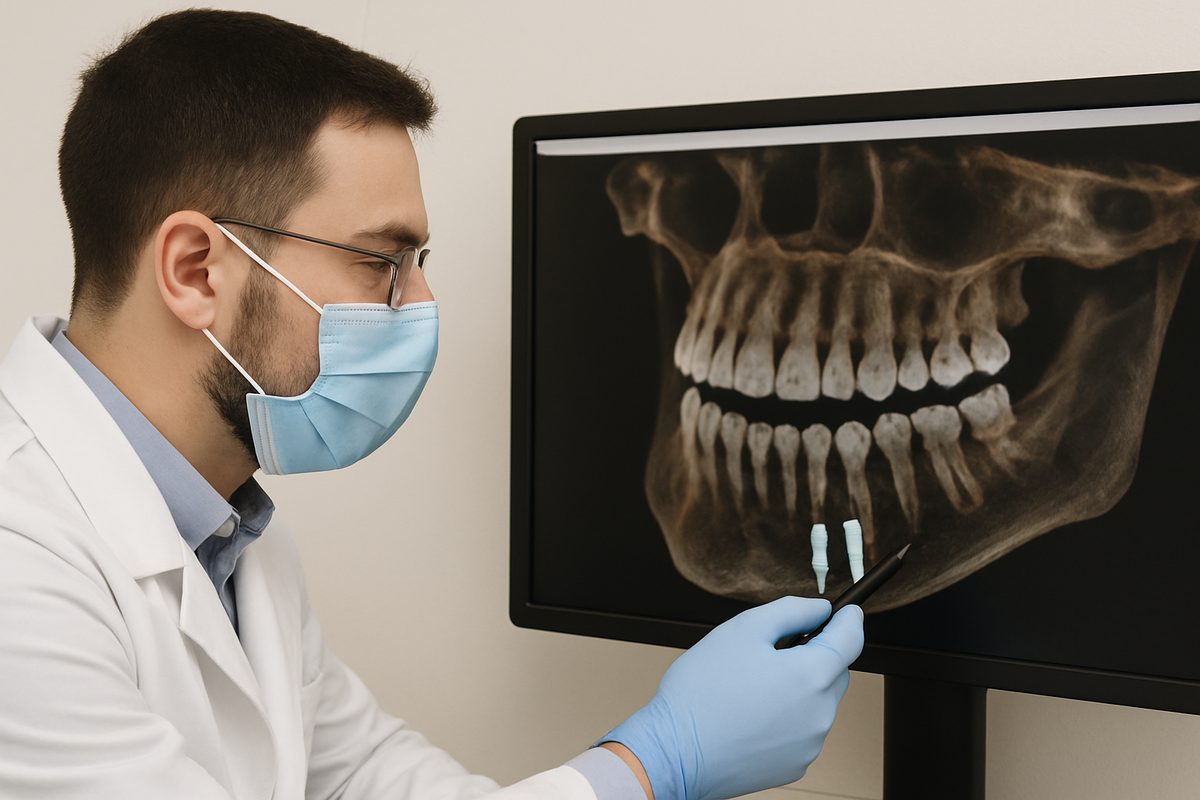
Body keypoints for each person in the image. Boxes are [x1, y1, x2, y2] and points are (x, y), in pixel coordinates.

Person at [0, 9, 864, 800]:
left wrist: (640, 766)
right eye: (383, 261)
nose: (419, 305)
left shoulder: (227, 534)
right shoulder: (20, 568)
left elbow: (368, 779)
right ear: (196, 270)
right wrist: (651, 767)